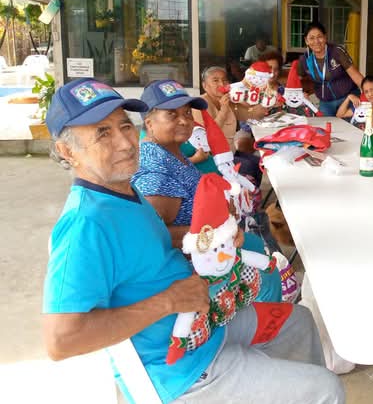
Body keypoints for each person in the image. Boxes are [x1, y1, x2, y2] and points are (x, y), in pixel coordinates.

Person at [42, 77, 344, 404]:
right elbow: (61, 340)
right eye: (103, 133)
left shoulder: (124, 192)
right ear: (67, 151)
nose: (125, 142)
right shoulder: (85, 224)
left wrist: (215, 239)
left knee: (298, 322)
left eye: (124, 126)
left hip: (206, 323)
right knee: (326, 389)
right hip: (180, 365)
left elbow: (158, 242)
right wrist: (168, 301)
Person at [132, 80, 279, 301]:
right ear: (149, 122)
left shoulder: (171, 151)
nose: (184, 120)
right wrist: (222, 233)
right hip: (199, 268)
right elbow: (154, 237)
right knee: (268, 276)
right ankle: (258, 318)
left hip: (214, 246)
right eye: (171, 114)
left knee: (259, 247)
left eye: (187, 113)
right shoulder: (155, 175)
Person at [193, 65, 263, 179]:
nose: (221, 84)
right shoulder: (199, 105)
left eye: (225, 80)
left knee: (260, 163)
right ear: (205, 85)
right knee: (249, 167)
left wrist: (267, 102)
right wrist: (223, 110)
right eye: (215, 80)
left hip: (230, 152)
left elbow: (251, 114)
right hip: (214, 158)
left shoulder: (227, 100)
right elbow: (207, 135)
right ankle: (240, 189)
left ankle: (251, 190)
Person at [296, 21, 364, 116]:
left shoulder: (337, 52)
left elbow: (357, 77)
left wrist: (369, 95)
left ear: (325, 37)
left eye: (319, 37)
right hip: (326, 103)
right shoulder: (304, 60)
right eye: (311, 38)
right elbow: (296, 81)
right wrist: (302, 93)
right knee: (325, 124)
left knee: (348, 123)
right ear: (306, 41)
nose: (316, 41)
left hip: (348, 97)